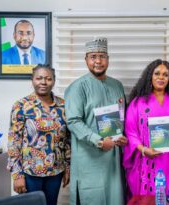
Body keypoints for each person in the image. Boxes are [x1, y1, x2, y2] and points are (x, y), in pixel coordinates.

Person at [64, 37, 128, 205]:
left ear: (108, 59)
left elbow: (121, 116)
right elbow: (73, 121)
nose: (98, 61)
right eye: (93, 56)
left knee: (116, 198)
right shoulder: (78, 87)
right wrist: (98, 141)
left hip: (113, 161)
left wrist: (122, 137)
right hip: (89, 161)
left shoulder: (117, 85)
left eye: (102, 56)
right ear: (86, 60)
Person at [123, 59, 169, 197]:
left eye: (165, 75)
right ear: (150, 77)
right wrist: (143, 150)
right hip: (147, 160)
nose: (161, 77)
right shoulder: (137, 103)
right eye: (157, 73)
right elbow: (131, 132)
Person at [7, 64, 70, 205]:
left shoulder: (63, 105)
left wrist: (67, 168)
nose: (43, 82)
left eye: (48, 78)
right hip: (30, 172)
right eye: (39, 78)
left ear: (53, 81)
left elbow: (67, 140)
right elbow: (14, 142)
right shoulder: (21, 106)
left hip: (56, 172)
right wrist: (17, 175)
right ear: (32, 80)